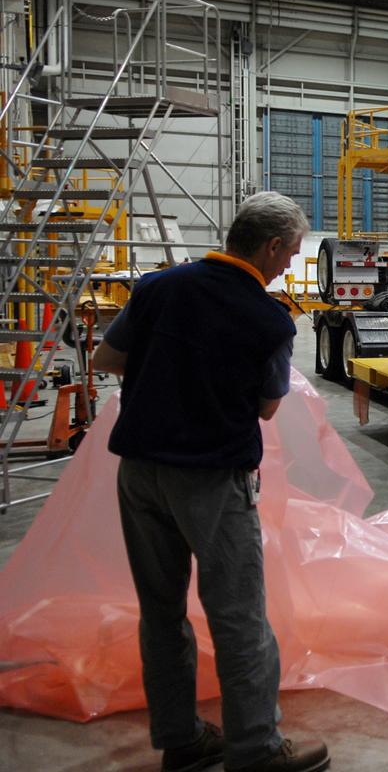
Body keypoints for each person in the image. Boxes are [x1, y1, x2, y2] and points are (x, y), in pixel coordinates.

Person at [93, 193, 331, 772]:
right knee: (238, 614)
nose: (289, 264)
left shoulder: (157, 287)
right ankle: (256, 749)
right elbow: (268, 407)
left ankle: (180, 739)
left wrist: (168, 375)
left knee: (160, 610)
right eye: (290, 253)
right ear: (270, 247)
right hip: (212, 477)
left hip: (140, 471)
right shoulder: (268, 319)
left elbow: (107, 358)